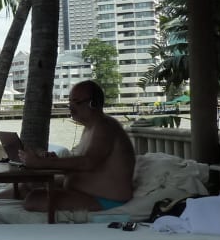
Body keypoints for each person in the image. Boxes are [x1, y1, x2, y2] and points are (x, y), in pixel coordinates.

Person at [19, 80, 135, 212]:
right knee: (27, 187)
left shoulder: (105, 126)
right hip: (86, 193)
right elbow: (85, 163)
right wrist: (52, 161)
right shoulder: (91, 128)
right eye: (70, 102)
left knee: (34, 198)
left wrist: (41, 163)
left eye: (77, 102)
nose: (71, 107)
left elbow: (88, 162)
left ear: (93, 103)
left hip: (105, 200)